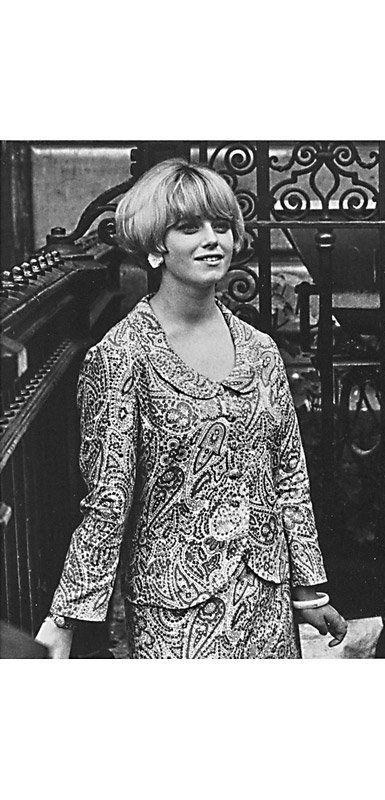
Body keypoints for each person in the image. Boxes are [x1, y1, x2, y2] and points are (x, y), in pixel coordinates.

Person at [35, 158, 347, 658]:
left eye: (221, 226)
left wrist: (308, 590)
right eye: (189, 228)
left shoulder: (260, 350)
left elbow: (289, 476)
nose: (212, 240)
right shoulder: (122, 356)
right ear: (155, 245)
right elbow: (108, 499)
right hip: (174, 612)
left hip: (265, 605)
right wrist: (65, 618)